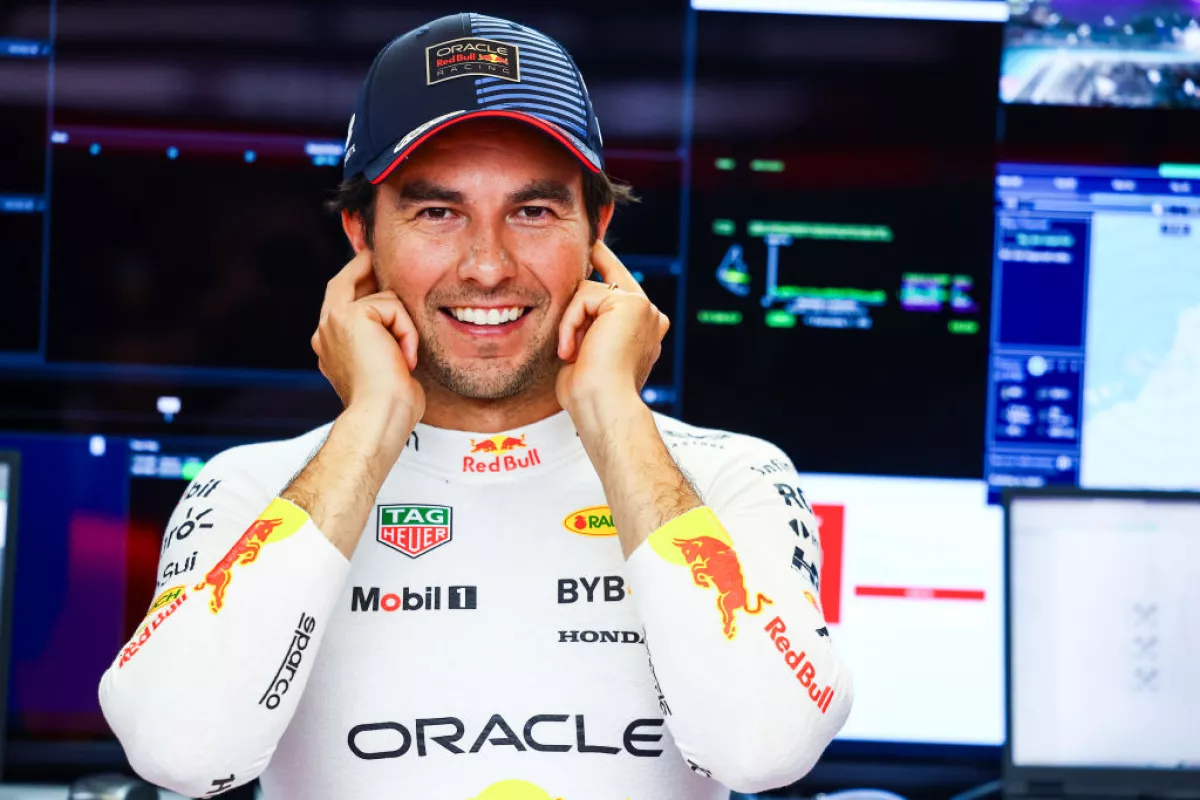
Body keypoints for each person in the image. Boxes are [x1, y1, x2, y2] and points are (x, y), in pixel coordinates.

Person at [98, 12, 853, 799]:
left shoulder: (732, 477)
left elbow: (764, 753)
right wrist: (369, 425)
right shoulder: (250, 487)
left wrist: (613, 412)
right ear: (362, 233)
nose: (488, 267)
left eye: (533, 212)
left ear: (597, 228)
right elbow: (181, 756)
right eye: (437, 212)